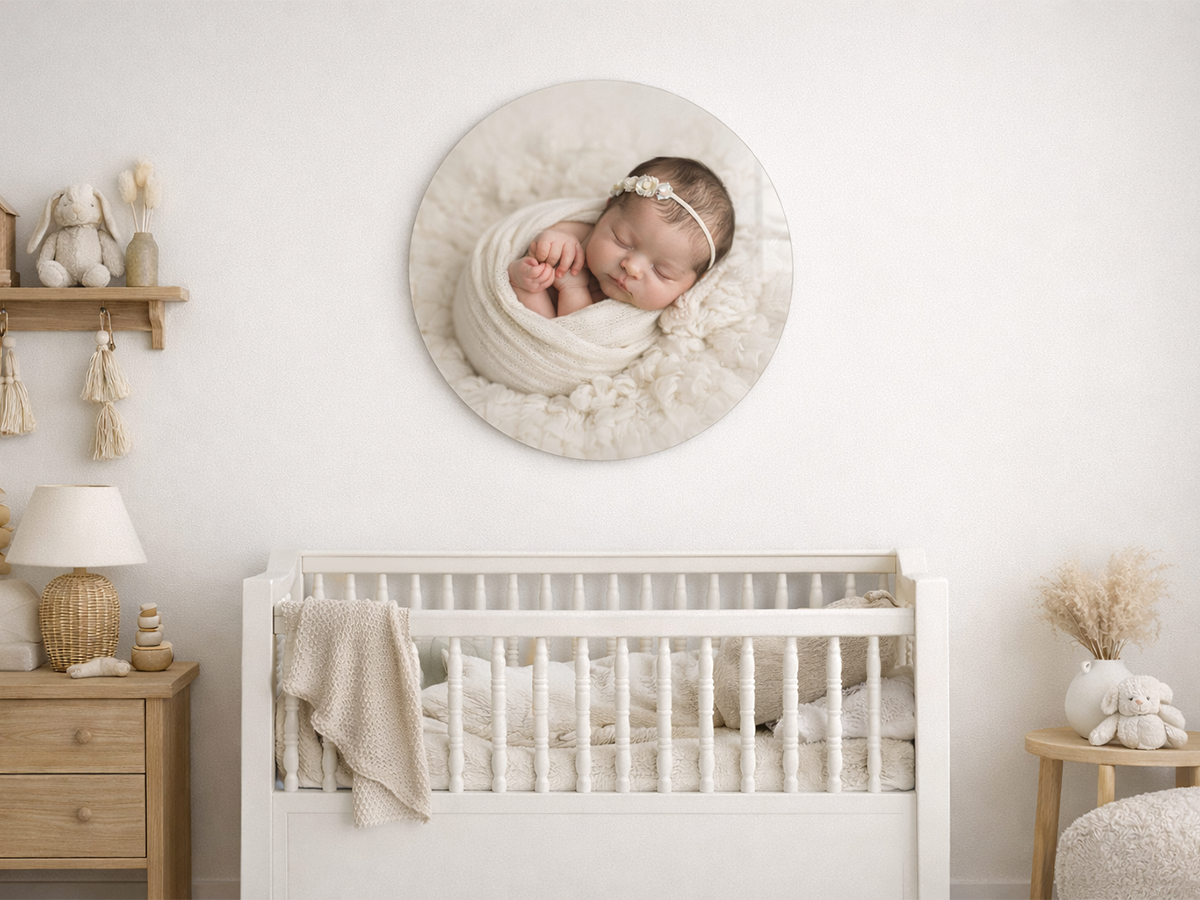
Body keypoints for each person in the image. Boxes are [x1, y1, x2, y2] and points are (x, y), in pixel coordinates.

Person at [507, 157, 735, 319]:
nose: (632, 267)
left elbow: (577, 336)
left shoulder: (642, 318)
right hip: (523, 310)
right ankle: (519, 281)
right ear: (606, 213)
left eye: (662, 272)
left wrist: (573, 289)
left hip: (551, 350)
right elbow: (540, 234)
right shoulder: (579, 236)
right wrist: (550, 241)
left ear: (693, 283)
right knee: (534, 276)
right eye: (622, 240)